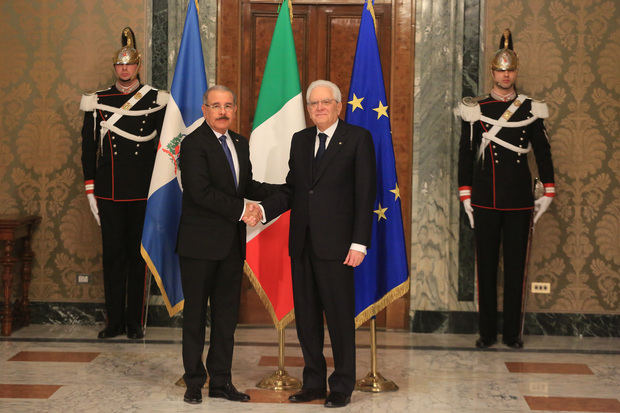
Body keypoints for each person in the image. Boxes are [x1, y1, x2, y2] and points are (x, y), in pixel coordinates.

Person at [261, 80, 376, 408]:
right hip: (302, 245)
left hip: (340, 247)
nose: (320, 108)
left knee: (340, 320)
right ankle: (313, 382)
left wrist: (359, 243)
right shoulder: (300, 140)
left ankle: (341, 385)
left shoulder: (357, 139)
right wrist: (263, 208)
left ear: (339, 106)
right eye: (314, 104)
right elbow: (293, 190)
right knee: (308, 319)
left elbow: (365, 194)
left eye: (326, 102)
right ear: (308, 109)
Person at [176, 85, 275, 405]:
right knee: (195, 317)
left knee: (225, 318)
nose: (222, 111)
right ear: (205, 110)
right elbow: (199, 192)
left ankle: (221, 381)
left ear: (234, 110)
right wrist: (241, 210)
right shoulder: (192, 144)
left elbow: (244, 186)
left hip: (231, 247)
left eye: (228, 106)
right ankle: (194, 381)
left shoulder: (239, 143)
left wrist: (288, 188)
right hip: (198, 246)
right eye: (215, 106)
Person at [457, 29, 555, 349]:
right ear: (493, 72)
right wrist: (466, 193)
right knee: (485, 269)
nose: (505, 75)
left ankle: (512, 334)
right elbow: (466, 154)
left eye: (510, 70)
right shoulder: (476, 108)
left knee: (515, 270)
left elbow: (542, 151)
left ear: (516, 72)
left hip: (518, 199)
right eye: (500, 70)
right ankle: (486, 333)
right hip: (485, 198)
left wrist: (549, 188)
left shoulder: (530, 108)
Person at [80, 27, 168, 340]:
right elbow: (88, 148)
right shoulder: (98, 100)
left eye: (130, 65)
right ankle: (114, 321)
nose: (125, 69)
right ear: (115, 68)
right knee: (112, 257)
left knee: (136, 258)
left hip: (143, 191)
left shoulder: (156, 99)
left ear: (138, 66)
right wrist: (90, 186)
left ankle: (134, 323)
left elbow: (169, 144)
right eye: (120, 65)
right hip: (110, 191)